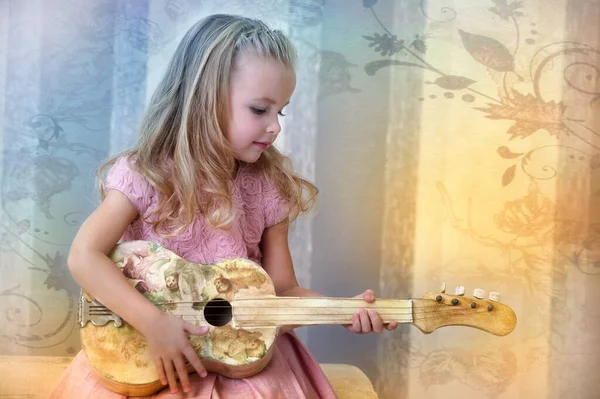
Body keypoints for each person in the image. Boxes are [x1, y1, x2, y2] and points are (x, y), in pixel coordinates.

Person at [50, 14, 398, 399]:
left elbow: (281, 291)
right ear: (205, 99)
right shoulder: (145, 175)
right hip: (148, 356)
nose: (275, 127)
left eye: (280, 111)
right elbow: (84, 256)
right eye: (260, 110)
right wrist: (154, 323)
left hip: (243, 361)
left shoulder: (268, 186)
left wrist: (341, 310)